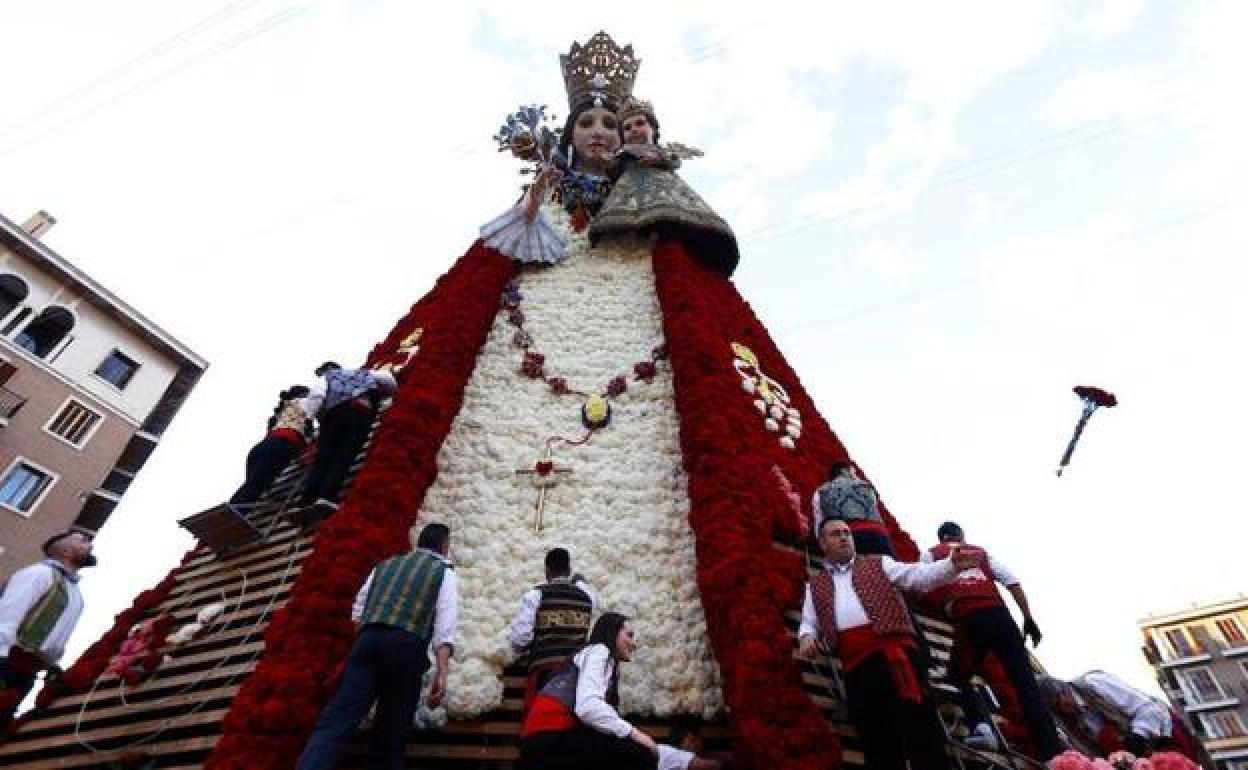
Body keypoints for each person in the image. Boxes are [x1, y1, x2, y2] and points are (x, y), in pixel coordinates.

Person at [798, 517, 976, 770]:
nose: (844, 537)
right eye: (836, 533)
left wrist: (950, 566)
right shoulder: (814, 586)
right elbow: (808, 623)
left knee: (922, 732)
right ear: (823, 543)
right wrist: (806, 639)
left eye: (847, 532)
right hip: (856, 669)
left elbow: (918, 575)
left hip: (897, 659)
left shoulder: (880, 563)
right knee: (877, 741)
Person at [296, 522, 457, 770]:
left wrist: (368, 638)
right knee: (391, 731)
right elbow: (445, 622)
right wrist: (442, 671)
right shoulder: (443, 571)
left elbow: (358, 609)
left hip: (367, 640)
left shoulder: (386, 565)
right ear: (445, 546)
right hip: (406, 646)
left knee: (336, 721)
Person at [920, 520, 1062, 759]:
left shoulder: (931, 554)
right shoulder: (981, 552)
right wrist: (1028, 618)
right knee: (1026, 685)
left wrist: (944, 604)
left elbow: (921, 582)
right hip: (1001, 617)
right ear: (961, 536)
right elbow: (1012, 582)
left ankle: (982, 728)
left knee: (958, 676)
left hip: (970, 619)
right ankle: (1051, 751)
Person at [519, 612, 723, 770]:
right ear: (613, 632)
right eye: (629, 635)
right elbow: (588, 707)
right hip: (548, 742)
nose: (634, 643)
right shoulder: (600, 651)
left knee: (635, 750)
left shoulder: (601, 661)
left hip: (547, 743)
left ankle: (692, 763)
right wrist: (635, 733)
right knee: (635, 752)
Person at [588, 95, 738, 276]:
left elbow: (674, 161)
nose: (634, 130)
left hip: (666, 192)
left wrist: (660, 159)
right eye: (627, 128)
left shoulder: (661, 151)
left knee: (672, 230)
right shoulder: (624, 154)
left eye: (639, 123)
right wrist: (608, 162)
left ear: (653, 129)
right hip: (631, 195)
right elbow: (613, 170)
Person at [0, 531, 96, 729]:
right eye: (82, 540)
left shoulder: (76, 595)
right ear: (66, 551)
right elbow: (8, 615)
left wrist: (52, 666)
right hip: (6, 663)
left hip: (26, 675)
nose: (90, 544)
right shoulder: (39, 573)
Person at [297, 361, 397, 514]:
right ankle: (327, 496)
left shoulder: (327, 377)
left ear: (326, 369)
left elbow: (317, 395)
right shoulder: (364, 373)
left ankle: (307, 499)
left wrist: (310, 418)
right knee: (345, 456)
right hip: (361, 413)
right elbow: (388, 380)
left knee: (324, 458)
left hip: (334, 415)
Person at [508, 547, 597, 712]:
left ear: (547, 571)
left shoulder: (536, 595)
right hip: (576, 674)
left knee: (542, 720)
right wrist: (579, 580)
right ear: (569, 570)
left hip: (545, 673)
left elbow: (520, 640)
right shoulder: (588, 597)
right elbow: (584, 586)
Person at [1038, 671, 1177, 758]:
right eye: (1055, 709)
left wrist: (1138, 736)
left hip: (1164, 734)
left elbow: (1148, 708)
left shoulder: (1093, 682)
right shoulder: (1069, 720)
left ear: (1063, 690)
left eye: (1058, 703)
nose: (1062, 710)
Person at [229, 385, 315, 508]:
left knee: (251, 487)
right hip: (281, 446)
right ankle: (232, 516)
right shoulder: (304, 403)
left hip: (261, 448)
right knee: (254, 488)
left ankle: (230, 513)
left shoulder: (280, 413)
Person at [811, 462, 895, 556]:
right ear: (844, 471)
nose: (856, 476)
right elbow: (875, 512)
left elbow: (819, 520)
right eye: (854, 472)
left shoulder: (822, 491)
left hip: (847, 536)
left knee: (854, 569)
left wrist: (822, 543)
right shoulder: (867, 486)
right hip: (878, 533)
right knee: (888, 568)